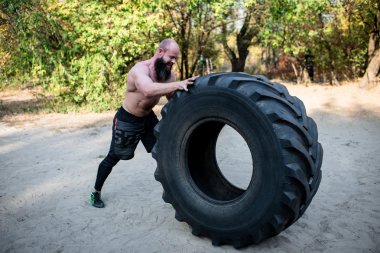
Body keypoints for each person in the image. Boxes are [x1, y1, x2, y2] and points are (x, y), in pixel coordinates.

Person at [90, 38, 197, 208]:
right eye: (172, 57)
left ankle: (184, 191)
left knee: (164, 152)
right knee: (114, 156)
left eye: (176, 58)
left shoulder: (168, 76)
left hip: (148, 119)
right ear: (160, 51)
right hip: (127, 118)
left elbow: (172, 102)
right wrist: (178, 84)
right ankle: (95, 192)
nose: (174, 62)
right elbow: (148, 89)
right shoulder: (139, 70)